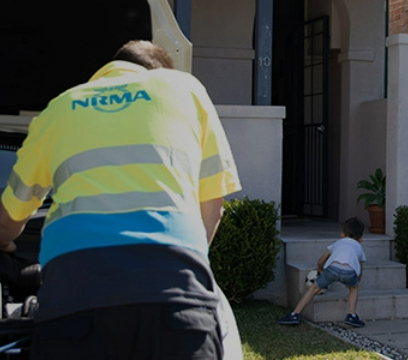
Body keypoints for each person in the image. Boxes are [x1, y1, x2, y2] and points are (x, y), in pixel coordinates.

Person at [0, 40, 243, 359]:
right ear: (161, 73)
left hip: (74, 301)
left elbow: (7, 221)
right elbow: (212, 207)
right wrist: (182, 264)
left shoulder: (60, 107)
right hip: (174, 298)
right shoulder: (184, 89)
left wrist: (5, 246)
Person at [278, 216, 367, 327]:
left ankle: (294, 314)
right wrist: (356, 280)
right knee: (354, 289)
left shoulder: (336, 243)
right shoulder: (359, 247)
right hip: (349, 272)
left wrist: (320, 270)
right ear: (360, 239)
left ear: (342, 234)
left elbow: (321, 260)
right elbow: (360, 268)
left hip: (332, 269)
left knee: (314, 288)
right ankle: (352, 315)